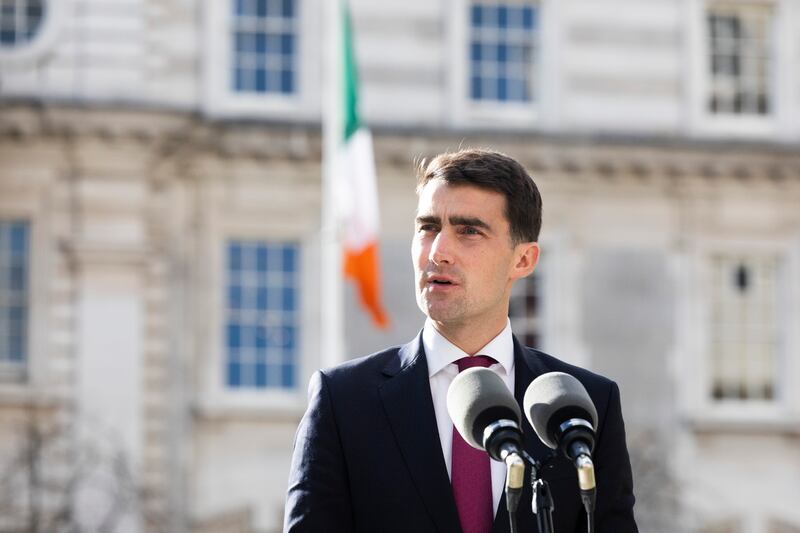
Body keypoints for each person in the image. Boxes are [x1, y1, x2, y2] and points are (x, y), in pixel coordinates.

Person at [284, 149, 637, 532]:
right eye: (428, 227)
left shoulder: (585, 406)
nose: (438, 252)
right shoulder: (343, 401)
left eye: (469, 230)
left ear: (524, 260)